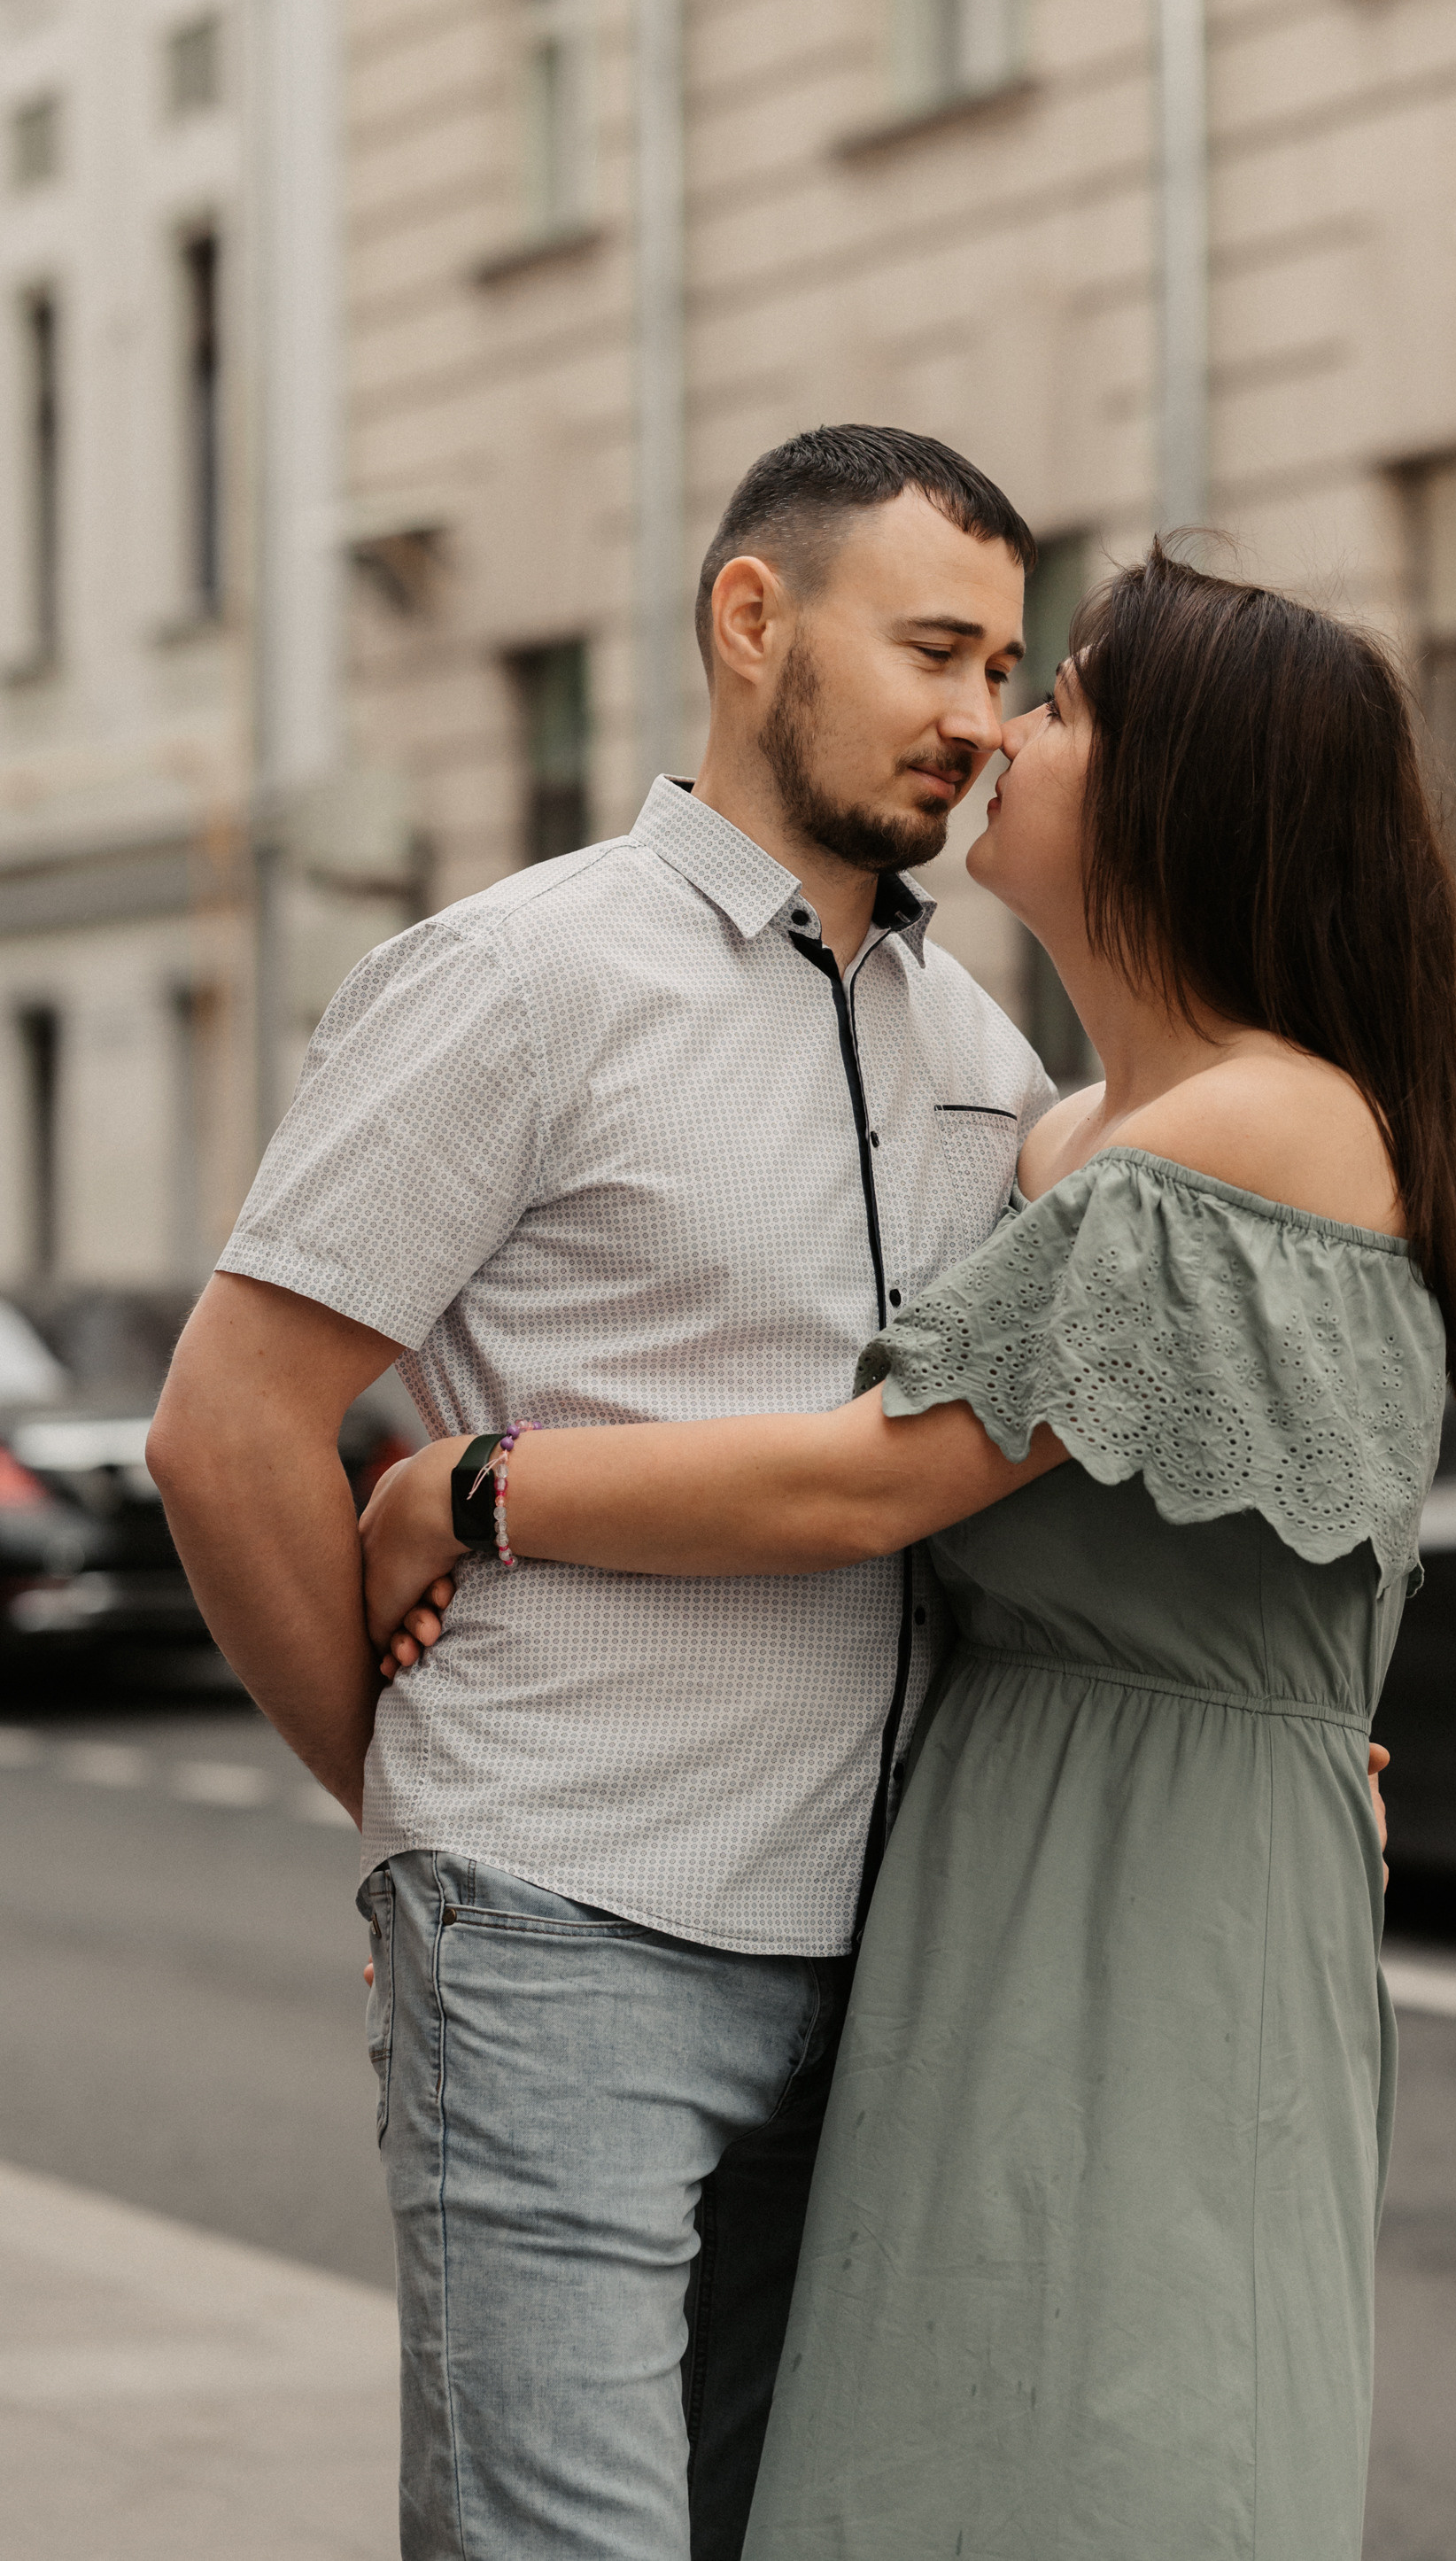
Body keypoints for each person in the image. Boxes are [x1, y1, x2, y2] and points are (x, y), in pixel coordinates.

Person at [361, 542, 1456, 2559]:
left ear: (1175, 795)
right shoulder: (1054, 1130)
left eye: (1054, 702)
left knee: (1116, 2450)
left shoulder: (1268, 1122)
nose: (999, 734)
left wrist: (466, 1488)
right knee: (929, 2459)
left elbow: (873, 1477)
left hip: (1155, 1907)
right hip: (984, 1885)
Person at [145, 424, 1060, 2561]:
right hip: (563, 1926)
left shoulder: (981, 1048)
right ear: (755, 623)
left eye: (1007, 668)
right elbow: (230, 1422)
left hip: (887, 1964)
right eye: (933, 649)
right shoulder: (520, 976)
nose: (978, 722)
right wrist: (411, 1805)